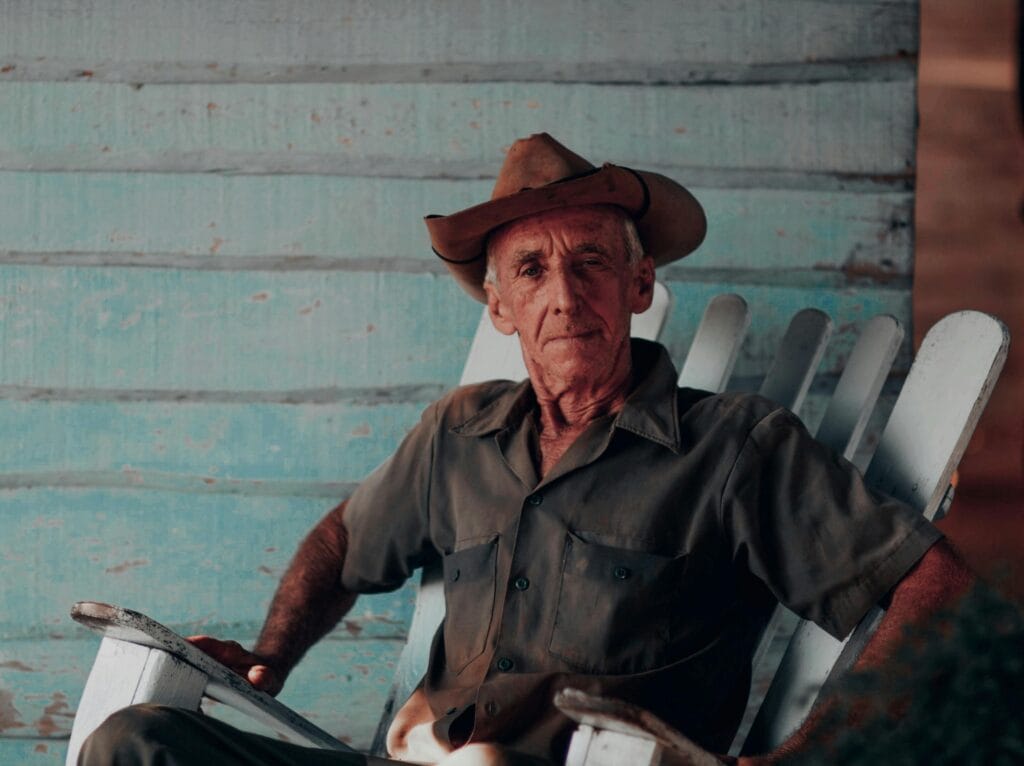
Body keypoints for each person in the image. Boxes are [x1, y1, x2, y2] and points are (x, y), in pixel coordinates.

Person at [80, 134, 971, 765]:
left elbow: (940, 590)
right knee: (137, 740)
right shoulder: (459, 435)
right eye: (532, 272)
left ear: (638, 283)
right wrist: (273, 657)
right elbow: (342, 545)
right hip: (418, 759)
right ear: (500, 307)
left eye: (590, 261)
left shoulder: (734, 450)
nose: (564, 296)